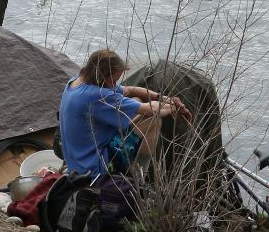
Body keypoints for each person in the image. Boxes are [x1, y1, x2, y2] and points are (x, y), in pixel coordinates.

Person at [58, 49, 191, 178]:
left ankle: (135, 172)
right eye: (113, 80)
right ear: (102, 75)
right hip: (94, 167)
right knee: (153, 120)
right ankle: (139, 178)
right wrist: (174, 107)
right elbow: (153, 110)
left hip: (76, 161)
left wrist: (160, 97)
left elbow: (129, 90)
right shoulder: (96, 96)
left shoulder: (76, 82)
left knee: (135, 100)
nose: (115, 84)